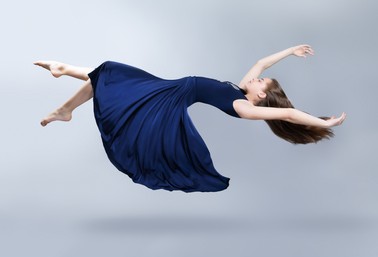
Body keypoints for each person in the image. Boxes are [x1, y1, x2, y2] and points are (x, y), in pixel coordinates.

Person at [34, 45, 346, 193]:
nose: (255, 79)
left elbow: (289, 113)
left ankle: (64, 88)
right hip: (172, 87)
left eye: (260, 83)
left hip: (172, 97)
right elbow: (261, 62)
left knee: (113, 74)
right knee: (111, 76)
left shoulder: (245, 107)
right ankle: (66, 106)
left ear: (261, 96)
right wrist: (292, 50)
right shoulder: (239, 88)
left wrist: (324, 123)